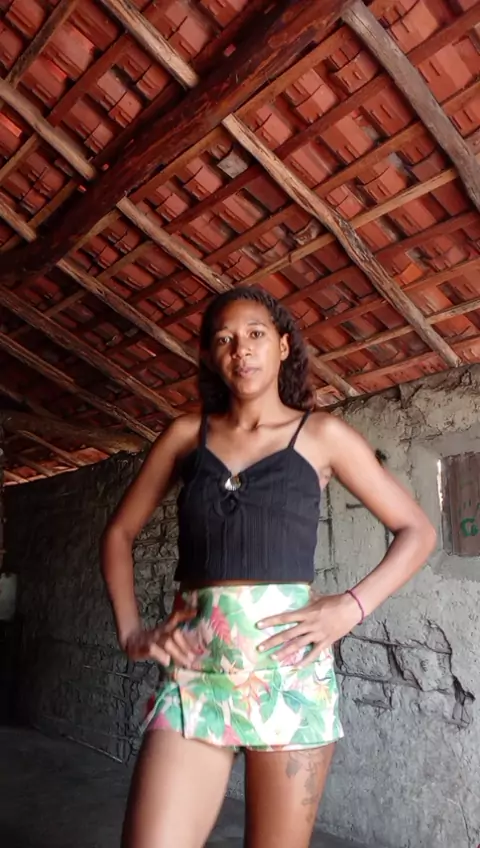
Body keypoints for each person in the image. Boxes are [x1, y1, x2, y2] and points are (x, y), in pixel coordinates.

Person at [101, 286, 436, 848]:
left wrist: (350, 608)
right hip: (196, 678)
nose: (242, 349)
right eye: (224, 339)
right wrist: (131, 630)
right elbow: (118, 533)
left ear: (282, 347)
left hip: (290, 677)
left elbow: (417, 531)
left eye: (255, 334)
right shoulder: (186, 436)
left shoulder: (322, 435)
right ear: (211, 355)